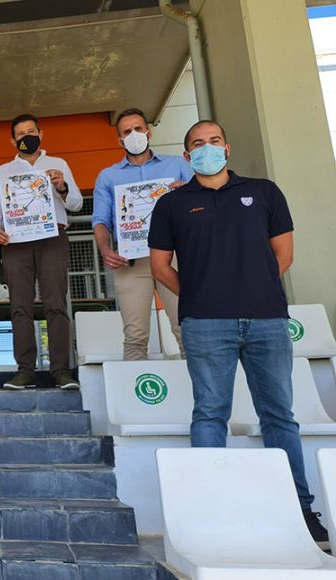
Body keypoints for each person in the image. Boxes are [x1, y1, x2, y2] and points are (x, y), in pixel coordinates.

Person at [148, 120, 329, 548]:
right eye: (196, 144)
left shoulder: (265, 192)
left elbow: (282, 254)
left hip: (267, 320)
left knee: (280, 415)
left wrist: (254, 286)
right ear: (187, 154)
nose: (205, 148)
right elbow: (159, 267)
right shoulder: (172, 205)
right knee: (210, 414)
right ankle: (212, 510)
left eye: (213, 142)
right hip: (205, 323)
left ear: (226, 148)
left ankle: (300, 510)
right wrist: (199, 294)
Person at [0, 114, 82, 389]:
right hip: (16, 242)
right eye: (20, 133)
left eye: (31, 131)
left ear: (41, 133)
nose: (26, 136)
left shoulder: (58, 164)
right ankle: (25, 370)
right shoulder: (3, 171)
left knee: (55, 304)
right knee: (20, 307)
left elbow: (76, 204)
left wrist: (62, 186)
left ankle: (61, 371)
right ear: (12, 140)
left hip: (52, 237)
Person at [93, 108, 191, 360]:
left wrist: (190, 192)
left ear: (149, 132)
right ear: (119, 140)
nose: (134, 135)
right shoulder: (107, 176)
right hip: (131, 262)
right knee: (135, 336)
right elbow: (101, 220)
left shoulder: (178, 165)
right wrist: (105, 249)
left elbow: (203, 204)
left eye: (138, 128)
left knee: (187, 330)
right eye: (127, 131)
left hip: (175, 257)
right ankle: (133, 398)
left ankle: (204, 395)